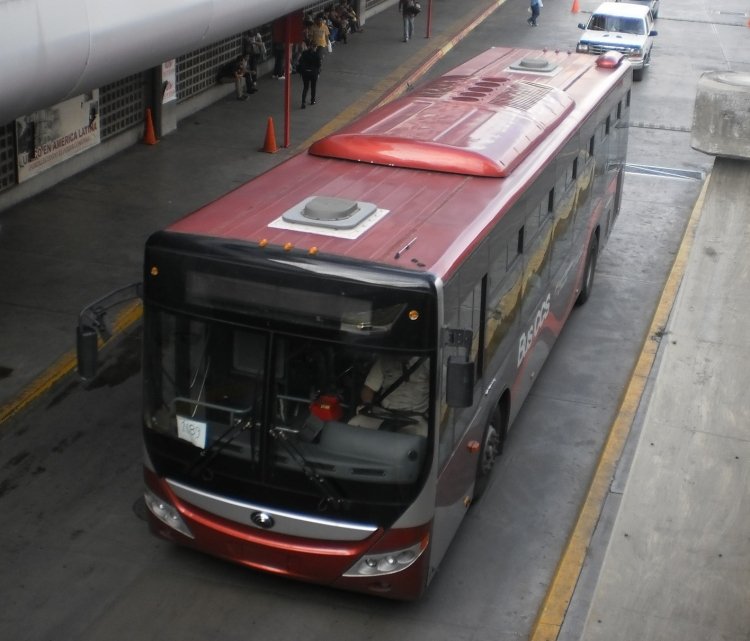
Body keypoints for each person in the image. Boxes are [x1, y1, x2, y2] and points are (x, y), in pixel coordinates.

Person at [350, 354, 429, 436]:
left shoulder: (429, 362)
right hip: (385, 413)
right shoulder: (384, 360)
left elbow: (441, 400)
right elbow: (368, 389)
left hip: (416, 417)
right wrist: (367, 404)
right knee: (355, 424)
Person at [297, 40, 321, 109]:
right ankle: (312, 100)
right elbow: (318, 65)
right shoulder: (317, 55)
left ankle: (303, 102)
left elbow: (300, 62)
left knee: (305, 87)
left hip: (305, 73)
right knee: (313, 87)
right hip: (313, 73)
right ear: (315, 47)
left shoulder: (304, 53)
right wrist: (318, 73)